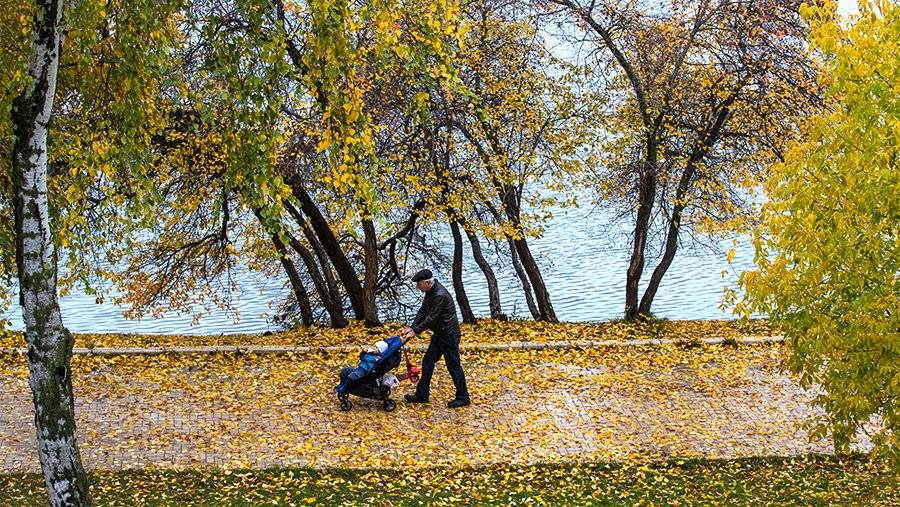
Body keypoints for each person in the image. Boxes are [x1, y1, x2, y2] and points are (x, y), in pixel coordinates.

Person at [401, 269, 470, 408]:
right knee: (428, 362)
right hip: (440, 335)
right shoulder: (430, 292)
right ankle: (422, 395)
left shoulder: (439, 295)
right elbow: (423, 311)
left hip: (449, 335)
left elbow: (432, 318)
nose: (417, 287)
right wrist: (412, 327)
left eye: (418, 284)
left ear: (427, 282)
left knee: (453, 366)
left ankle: (463, 397)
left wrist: (416, 331)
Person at [335, 337, 400, 395]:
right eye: (374, 346)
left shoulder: (377, 358)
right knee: (345, 370)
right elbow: (362, 358)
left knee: (352, 376)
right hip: (360, 368)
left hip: (365, 372)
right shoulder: (371, 354)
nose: (374, 348)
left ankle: (344, 388)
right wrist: (363, 352)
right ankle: (342, 384)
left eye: (376, 348)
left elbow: (370, 360)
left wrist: (370, 355)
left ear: (380, 351)